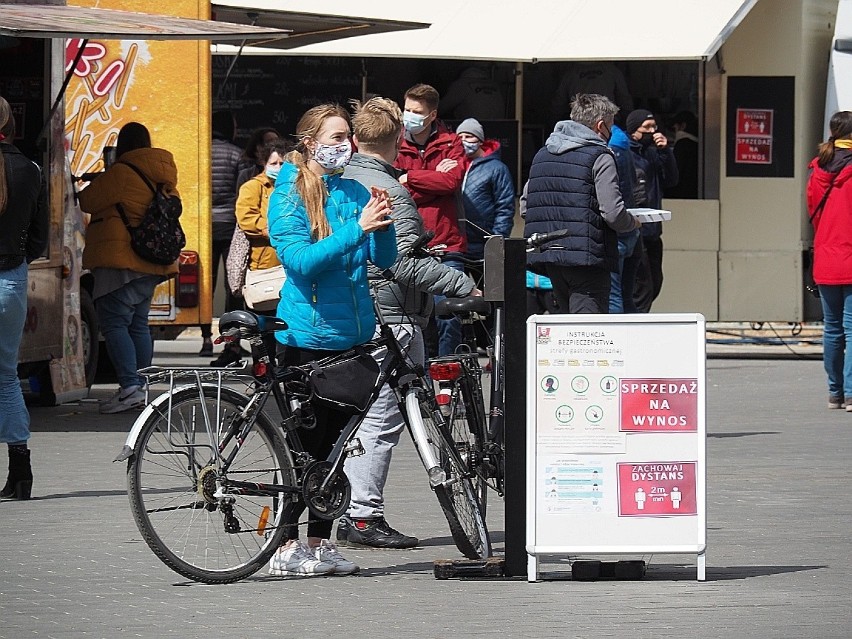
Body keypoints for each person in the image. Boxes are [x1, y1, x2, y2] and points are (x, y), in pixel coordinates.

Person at [338, 96, 479, 549]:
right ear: (399, 141)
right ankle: (363, 515)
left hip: (347, 313)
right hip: (390, 315)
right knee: (382, 419)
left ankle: (339, 508)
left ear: (356, 139)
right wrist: (460, 284)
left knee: (348, 417)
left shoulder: (336, 180)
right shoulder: (389, 192)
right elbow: (399, 264)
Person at [266, 103, 397, 576]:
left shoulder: (353, 190)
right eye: (337, 137)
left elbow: (382, 258)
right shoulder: (287, 195)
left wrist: (380, 224)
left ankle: (319, 545)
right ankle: (284, 545)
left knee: (336, 447)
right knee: (305, 446)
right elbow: (300, 261)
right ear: (309, 142)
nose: (346, 146)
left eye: (349, 138)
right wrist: (356, 228)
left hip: (354, 336)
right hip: (308, 337)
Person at [78, 122, 178, 413]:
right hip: (152, 260)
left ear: (122, 146)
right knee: (138, 324)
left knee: (114, 322)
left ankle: (129, 387)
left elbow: (88, 200)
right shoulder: (164, 174)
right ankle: (141, 386)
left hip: (121, 259)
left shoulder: (122, 172)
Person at [523, 94, 640, 314]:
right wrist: (633, 223)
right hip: (588, 259)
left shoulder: (542, 154)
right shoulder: (600, 156)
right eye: (611, 127)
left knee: (566, 330)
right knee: (587, 333)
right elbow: (613, 213)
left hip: (550, 257)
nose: (612, 133)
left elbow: (525, 207)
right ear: (600, 126)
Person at [394, 83, 467, 356]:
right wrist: (432, 177)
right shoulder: (396, 142)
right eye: (407, 109)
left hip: (447, 243)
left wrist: (410, 177)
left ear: (432, 115)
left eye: (416, 111)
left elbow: (450, 182)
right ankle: (422, 377)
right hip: (410, 244)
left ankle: (447, 371)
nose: (409, 115)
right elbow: (395, 191)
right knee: (417, 319)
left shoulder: (452, 142)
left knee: (447, 313)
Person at [0, 96, 47, 500]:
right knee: (7, 377)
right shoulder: (30, 169)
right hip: (10, 281)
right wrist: (16, 261)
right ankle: (20, 471)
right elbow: (39, 237)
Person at [807, 110, 852, 410]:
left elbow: (813, 211)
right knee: (851, 327)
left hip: (825, 256)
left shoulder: (818, 167)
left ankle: (835, 392)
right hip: (850, 255)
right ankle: (851, 392)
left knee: (832, 328)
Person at [624, 108, 679, 311]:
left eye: (654, 126)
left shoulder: (654, 154)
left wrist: (665, 152)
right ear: (633, 131)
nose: (652, 131)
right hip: (635, 230)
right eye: (646, 127)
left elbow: (672, 180)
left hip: (653, 231)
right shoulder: (625, 154)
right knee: (641, 287)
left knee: (655, 282)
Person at [201, 110, 244, 362]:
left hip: (204, 225)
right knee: (231, 287)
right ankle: (231, 342)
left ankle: (206, 339)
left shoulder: (201, 151)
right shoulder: (236, 154)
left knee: (205, 284)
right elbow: (238, 192)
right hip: (229, 224)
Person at [234, 139, 288, 307]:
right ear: (264, 163)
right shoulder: (252, 187)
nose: (278, 167)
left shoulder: (293, 186)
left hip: (288, 261)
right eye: (274, 163)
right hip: (263, 263)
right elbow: (247, 218)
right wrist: (274, 230)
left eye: (282, 163)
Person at [456, 117, 515, 261]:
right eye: (460, 137)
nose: (463, 141)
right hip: (457, 244)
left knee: (489, 284)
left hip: (484, 244)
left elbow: (505, 207)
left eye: (469, 136)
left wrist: (496, 240)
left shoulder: (497, 168)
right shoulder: (453, 165)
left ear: (480, 140)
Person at [607, 122, 641, 313]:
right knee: (625, 294)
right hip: (630, 230)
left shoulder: (607, 149)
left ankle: (615, 340)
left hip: (615, 232)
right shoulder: (624, 146)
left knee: (612, 295)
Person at [440, 65, 507, 121]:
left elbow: (442, 108)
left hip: (472, 130)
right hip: (498, 128)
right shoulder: (494, 84)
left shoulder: (461, 84)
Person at [666, 110, 699, 199]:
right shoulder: (699, 146)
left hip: (680, 194)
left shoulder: (682, 144)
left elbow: (675, 172)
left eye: (674, 129)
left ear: (683, 126)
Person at [236, 126, 281, 190]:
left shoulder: (287, 171)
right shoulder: (246, 174)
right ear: (257, 147)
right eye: (269, 142)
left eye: (277, 142)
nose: (274, 146)